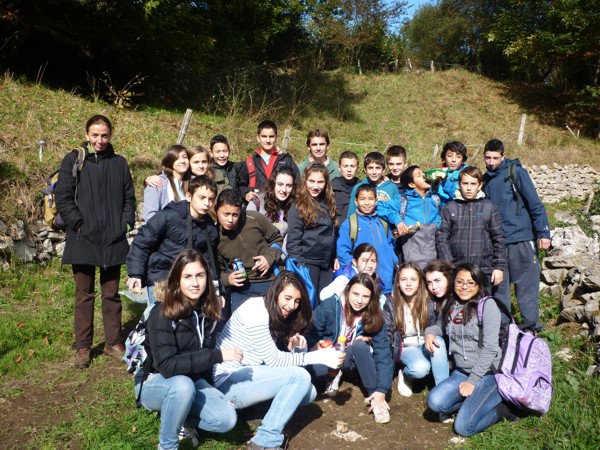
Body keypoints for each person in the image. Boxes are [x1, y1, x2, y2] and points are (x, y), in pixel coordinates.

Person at [213, 271, 341, 450]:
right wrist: (318, 356)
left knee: (309, 392)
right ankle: (265, 440)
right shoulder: (256, 310)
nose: (292, 306)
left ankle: (259, 414)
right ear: (275, 293)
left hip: (249, 376)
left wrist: (299, 348)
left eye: (297, 301)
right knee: (301, 377)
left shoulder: (275, 313)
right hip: (228, 382)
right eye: (287, 298)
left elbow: (273, 358)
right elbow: (273, 360)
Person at [137, 249, 242, 450]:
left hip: (192, 379)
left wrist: (213, 392)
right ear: (177, 280)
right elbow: (167, 366)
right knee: (182, 386)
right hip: (156, 382)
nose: (195, 283)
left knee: (226, 419)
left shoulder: (206, 311)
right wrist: (218, 356)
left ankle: (180, 414)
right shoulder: (162, 313)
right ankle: (168, 445)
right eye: (187, 277)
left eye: (200, 276)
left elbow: (203, 358)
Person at [55, 114, 136, 368]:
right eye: (95, 135)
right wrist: (78, 223)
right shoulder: (73, 160)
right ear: (87, 134)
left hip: (113, 237)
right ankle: (83, 346)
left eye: (104, 135)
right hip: (83, 237)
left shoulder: (119, 163)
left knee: (111, 293)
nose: (100, 140)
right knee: (84, 294)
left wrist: (124, 223)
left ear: (110, 136)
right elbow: (63, 197)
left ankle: (114, 341)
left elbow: (129, 198)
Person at [425, 262, 507, 436]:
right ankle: (474, 404)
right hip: (462, 371)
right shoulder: (449, 304)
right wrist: (430, 333)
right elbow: (440, 326)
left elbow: (490, 348)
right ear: (453, 282)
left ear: (479, 285)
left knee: (463, 427)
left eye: (470, 283)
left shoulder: (487, 306)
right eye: (460, 282)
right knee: (434, 402)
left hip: (488, 373)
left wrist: (473, 381)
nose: (464, 287)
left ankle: (502, 408)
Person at [306, 273, 394, 424]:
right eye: (355, 294)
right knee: (309, 370)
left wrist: (382, 390)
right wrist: (315, 346)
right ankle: (333, 376)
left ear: (371, 297)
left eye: (365, 296)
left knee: (360, 346)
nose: (359, 300)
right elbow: (311, 334)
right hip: (328, 356)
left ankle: (376, 399)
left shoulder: (374, 314)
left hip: (350, 357)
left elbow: (383, 351)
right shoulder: (329, 306)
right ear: (348, 290)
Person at [483, 139, 551, 330]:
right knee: (499, 287)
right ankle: (504, 328)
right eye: (488, 158)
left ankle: (530, 327)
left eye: (495, 158)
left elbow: (535, 203)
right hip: (497, 242)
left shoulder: (516, 172)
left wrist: (543, 232)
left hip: (521, 238)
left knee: (526, 285)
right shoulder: (485, 179)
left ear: (503, 156)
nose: (491, 162)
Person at [127, 176, 220, 306]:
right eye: (202, 198)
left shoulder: (210, 228)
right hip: (161, 279)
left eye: (211, 199)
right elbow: (142, 242)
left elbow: (208, 260)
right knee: (159, 317)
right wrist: (136, 274)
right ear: (189, 196)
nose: (207, 203)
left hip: (189, 283)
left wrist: (216, 291)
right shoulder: (168, 216)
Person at [383, 263, 449, 398]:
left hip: (425, 343)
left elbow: (440, 323)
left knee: (438, 342)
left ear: (420, 283)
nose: (408, 284)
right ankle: (405, 374)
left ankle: (443, 392)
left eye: (413, 279)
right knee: (421, 369)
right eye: (403, 279)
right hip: (407, 347)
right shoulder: (391, 303)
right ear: (397, 283)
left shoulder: (429, 301)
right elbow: (387, 332)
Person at [437, 166, 507, 293]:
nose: (469, 188)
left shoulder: (489, 207)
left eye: (473, 184)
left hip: (484, 270)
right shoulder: (450, 208)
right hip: (457, 270)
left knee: (484, 304)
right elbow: (442, 238)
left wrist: (499, 267)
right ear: (459, 184)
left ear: (480, 185)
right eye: (465, 183)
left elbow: (499, 238)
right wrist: (449, 266)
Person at [215, 189, 283, 312]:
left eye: (235, 215)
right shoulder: (215, 236)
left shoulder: (254, 218)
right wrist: (228, 279)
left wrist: (269, 258)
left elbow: (277, 238)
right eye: (226, 214)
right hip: (241, 289)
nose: (230, 220)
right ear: (216, 210)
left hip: (270, 280)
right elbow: (217, 271)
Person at [287, 162, 338, 297]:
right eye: (311, 181)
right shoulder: (298, 206)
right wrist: (300, 267)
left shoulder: (329, 202)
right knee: (309, 301)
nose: (315, 186)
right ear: (305, 181)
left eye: (320, 182)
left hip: (326, 264)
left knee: (325, 300)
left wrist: (335, 256)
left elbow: (333, 233)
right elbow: (293, 242)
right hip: (307, 263)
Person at [336, 184, 397, 294]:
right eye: (362, 199)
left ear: (376, 201)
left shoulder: (383, 222)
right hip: (363, 283)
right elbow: (342, 251)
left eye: (371, 199)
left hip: (386, 280)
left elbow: (390, 244)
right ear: (356, 202)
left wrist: (393, 260)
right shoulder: (350, 224)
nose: (367, 203)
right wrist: (355, 270)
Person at [378, 165, 442, 269]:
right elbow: (378, 206)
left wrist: (444, 181)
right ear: (412, 184)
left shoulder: (435, 199)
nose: (424, 176)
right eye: (419, 175)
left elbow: (452, 196)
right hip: (413, 264)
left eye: (423, 173)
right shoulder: (403, 200)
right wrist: (397, 220)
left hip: (436, 262)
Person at [238, 120, 300, 204]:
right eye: (264, 136)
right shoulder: (249, 162)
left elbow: (297, 184)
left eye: (271, 136)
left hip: (282, 207)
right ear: (258, 138)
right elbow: (241, 185)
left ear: (276, 137)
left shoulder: (286, 160)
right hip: (257, 208)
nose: (268, 140)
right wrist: (245, 194)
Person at [247, 165, 297, 251]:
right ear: (273, 184)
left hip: (281, 254)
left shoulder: (294, 207)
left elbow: (290, 238)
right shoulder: (257, 203)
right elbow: (247, 234)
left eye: (288, 185)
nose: (284, 190)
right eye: (280, 184)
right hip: (257, 253)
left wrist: (279, 256)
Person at [320, 243, 386, 308]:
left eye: (373, 261)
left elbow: (382, 303)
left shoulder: (376, 279)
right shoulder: (344, 279)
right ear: (355, 262)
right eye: (365, 261)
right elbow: (323, 296)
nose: (370, 265)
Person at [143, 145, 190, 223]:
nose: (182, 161)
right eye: (177, 158)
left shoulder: (189, 183)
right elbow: (150, 216)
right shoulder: (157, 183)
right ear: (169, 161)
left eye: (185, 157)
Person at [347, 151, 399, 217]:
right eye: (370, 168)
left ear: (383, 170)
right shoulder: (358, 188)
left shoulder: (392, 188)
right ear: (365, 169)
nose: (374, 172)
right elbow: (351, 214)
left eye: (378, 168)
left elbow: (397, 212)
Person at [331, 150, 360, 224]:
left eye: (352, 166)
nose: (349, 170)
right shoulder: (331, 187)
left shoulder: (362, 187)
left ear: (358, 168)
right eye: (345, 166)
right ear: (339, 167)